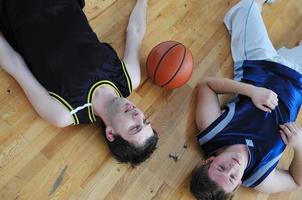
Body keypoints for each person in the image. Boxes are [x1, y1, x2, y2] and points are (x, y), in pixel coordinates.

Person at [0, 0, 158, 165]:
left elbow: (14, 64)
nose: (138, 116)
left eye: (134, 127)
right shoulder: (129, 78)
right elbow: (135, 31)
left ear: (111, 133)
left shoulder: (64, 113)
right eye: (145, 121)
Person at [190, 0, 302, 199]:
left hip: (258, 63)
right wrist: (299, 146)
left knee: (243, 4)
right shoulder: (260, 178)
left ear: (209, 161)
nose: (232, 166)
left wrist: (252, 91)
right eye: (232, 177)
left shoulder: (212, 131)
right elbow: (296, 181)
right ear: (238, 184)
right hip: (298, 80)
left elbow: (206, 85)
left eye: (222, 167)